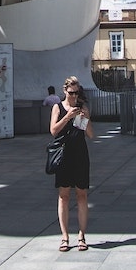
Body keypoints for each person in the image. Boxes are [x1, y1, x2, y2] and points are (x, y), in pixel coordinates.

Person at [50, 75, 93, 252]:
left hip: (80, 154)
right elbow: (53, 131)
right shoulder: (57, 107)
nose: (74, 96)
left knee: (82, 194)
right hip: (64, 155)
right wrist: (67, 116)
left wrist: (84, 119)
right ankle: (65, 236)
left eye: (77, 93)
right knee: (64, 195)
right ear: (65, 91)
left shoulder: (82, 108)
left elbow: (90, 134)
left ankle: (82, 235)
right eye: (71, 93)